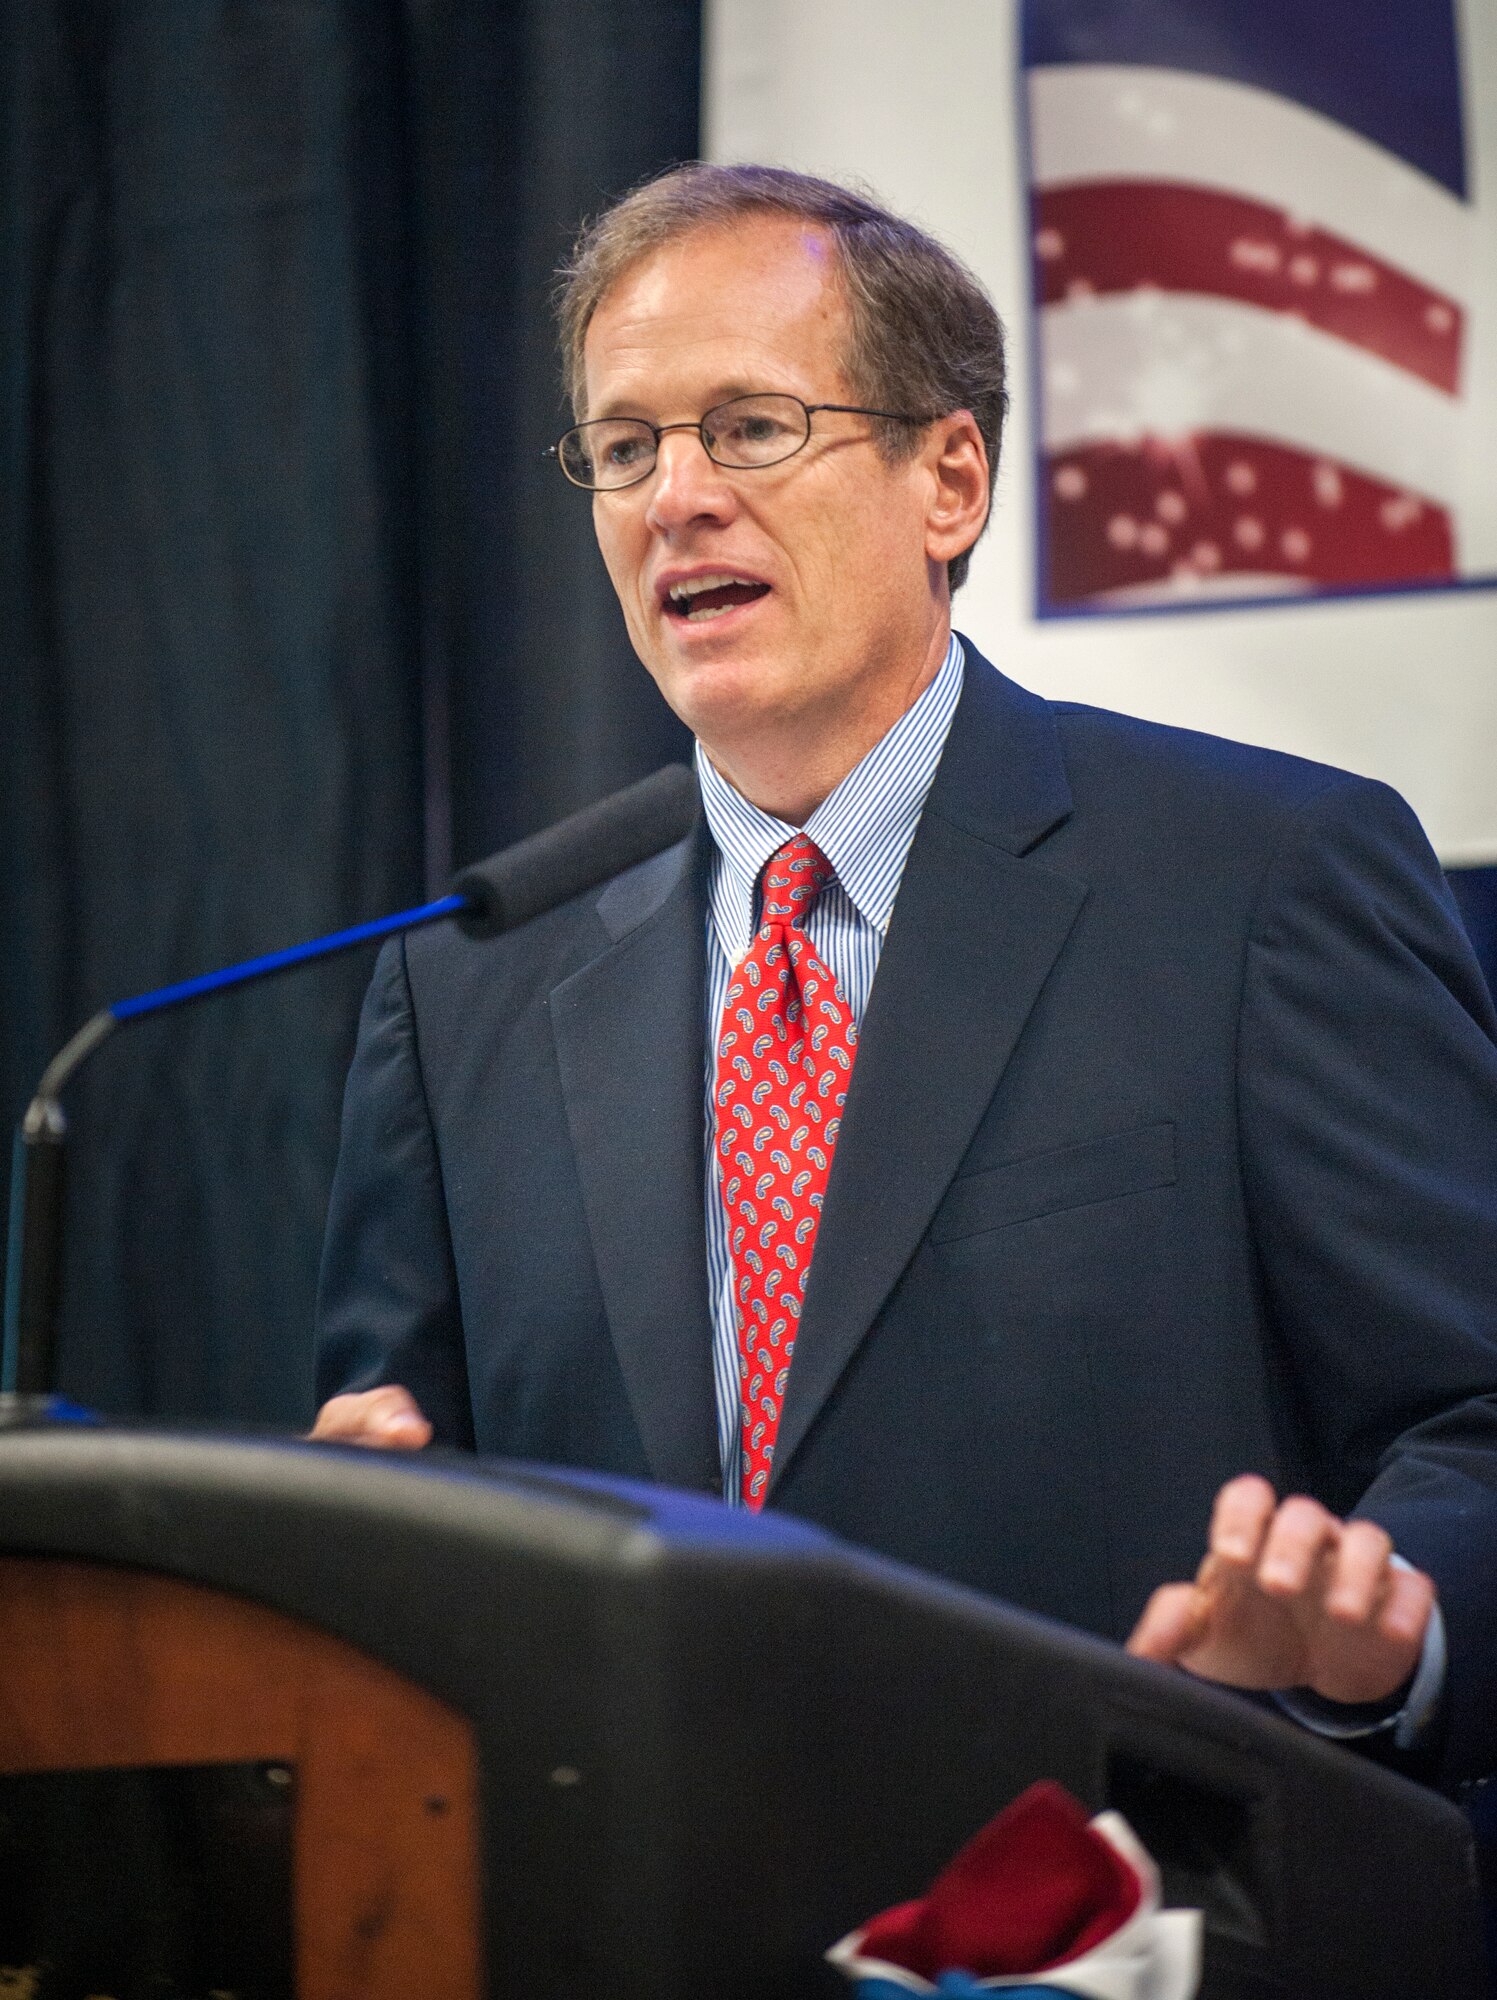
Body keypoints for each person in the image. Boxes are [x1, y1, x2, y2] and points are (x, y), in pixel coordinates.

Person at [312, 165, 1497, 1790]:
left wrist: (1388, 1633)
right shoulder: (467, 984)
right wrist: (361, 1535)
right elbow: (405, 1489)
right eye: (624, 446)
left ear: (948, 480)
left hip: (1125, 1898)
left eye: (746, 428)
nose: (675, 497)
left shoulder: (1258, 883)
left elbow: (1475, 1417)